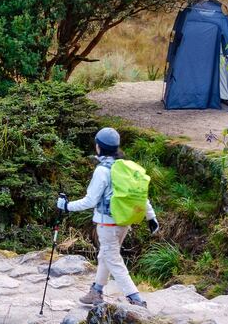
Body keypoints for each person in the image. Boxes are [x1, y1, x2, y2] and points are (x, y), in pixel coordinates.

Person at [59, 127, 159, 308]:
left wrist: (66, 206)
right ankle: (96, 292)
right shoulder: (125, 167)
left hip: (107, 224)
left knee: (112, 258)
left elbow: (90, 201)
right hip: (124, 221)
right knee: (105, 255)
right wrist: (150, 216)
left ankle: (135, 299)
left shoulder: (102, 171)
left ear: (98, 147)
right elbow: (139, 195)